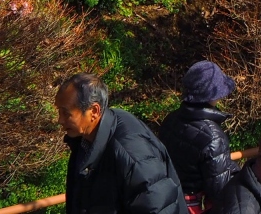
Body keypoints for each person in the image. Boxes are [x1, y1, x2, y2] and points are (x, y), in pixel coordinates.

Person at [56, 73, 188, 214]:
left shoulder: (132, 152)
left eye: (66, 113)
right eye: (59, 111)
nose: (60, 120)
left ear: (94, 111)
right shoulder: (84, 140)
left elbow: (157, 206)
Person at [159, 60, 239, 211]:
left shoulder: (170, 119)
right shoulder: (213, 136)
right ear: (213, 95)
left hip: (167, 200)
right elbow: (220, 191)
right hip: (192, 206)